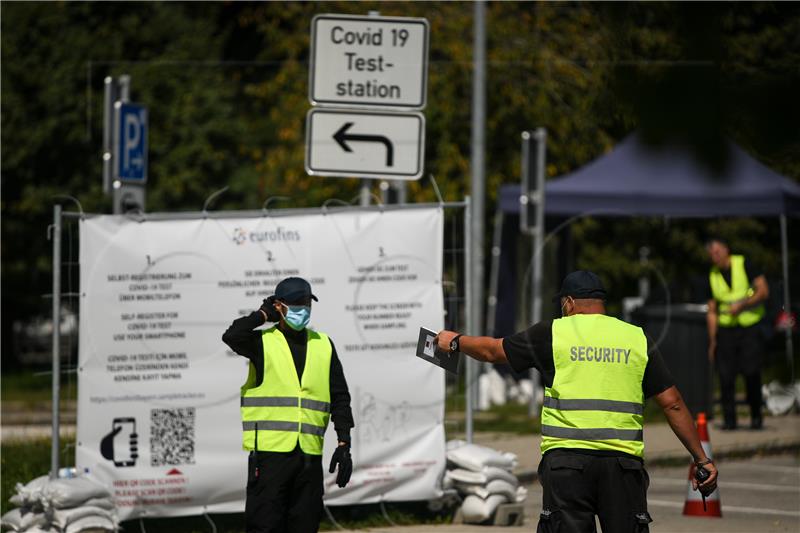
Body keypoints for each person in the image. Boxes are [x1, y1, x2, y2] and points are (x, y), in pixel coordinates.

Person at [436, 271, 718, 533]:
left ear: (569, 303)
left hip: (566, 466)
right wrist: (701, 459)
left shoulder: (553, 333)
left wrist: (456, 341)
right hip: (622, 468)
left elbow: (491, 351)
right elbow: (673, 404)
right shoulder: (636, 337)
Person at [222, 277, 354, 533]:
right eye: (295, 303)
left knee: (305, 526)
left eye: (306, 303)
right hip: (270, 458)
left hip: (308, 457)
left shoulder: (323, 344)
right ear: (279, 306)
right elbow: (232, 336)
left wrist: (344, 442)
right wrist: (262, 315)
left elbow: (340, 396)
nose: (302, 309)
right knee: (265, 526)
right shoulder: (262, 342)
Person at [705, 237, 769, 430]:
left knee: (751, 372)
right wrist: (713, 340)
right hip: (726, 330)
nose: (715, 256)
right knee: (725, 376)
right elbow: (712, 311)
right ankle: (730, 420)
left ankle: (756, 416)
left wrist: (742, 305)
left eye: (717, 251)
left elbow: (763, 291)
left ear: (726, 249)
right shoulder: (712, 275)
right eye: (711, 254)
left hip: (749, 326)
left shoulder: (744, 263)